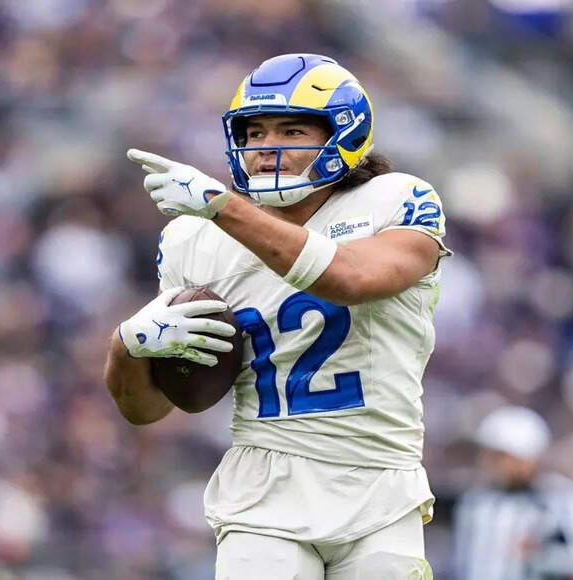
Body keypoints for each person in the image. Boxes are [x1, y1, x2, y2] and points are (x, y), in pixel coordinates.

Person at [103, 53, 451, 579]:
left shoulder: (396, 199)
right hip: (263, 493)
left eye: (291, 129)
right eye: (256, 132)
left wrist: (225, 207)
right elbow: (148, 409)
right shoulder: (193, 240)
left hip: (382, 488)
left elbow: (351, 279)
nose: (268, 148)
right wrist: (126, 347)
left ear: (344, 135)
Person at [454, 406, 573, 580]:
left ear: (526, 458)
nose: (491, 463)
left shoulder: (558, 498)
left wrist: (540, 554)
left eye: (501, 456)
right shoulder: (476, 499)